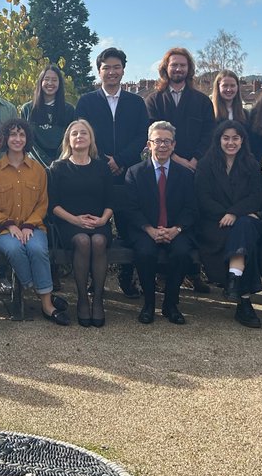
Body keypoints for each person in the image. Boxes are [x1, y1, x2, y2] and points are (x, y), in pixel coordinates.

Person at [75, 47, 148, 298]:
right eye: (106, 67)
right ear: (99, 71)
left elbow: (142, 135)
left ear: (123, 70)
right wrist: (104, 159)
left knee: (129, 229)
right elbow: (82, 133)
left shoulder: (136, 102)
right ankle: (92, 281)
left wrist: (120, 159)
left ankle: (128, 278)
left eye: (116, 67)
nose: (112, 72)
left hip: (128, 174)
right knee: (95, 229)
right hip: (96, 172)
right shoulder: (86, 102)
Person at [0, 119, 68, 325]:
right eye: (13, 134)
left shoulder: (38, 170)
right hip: (3, 230)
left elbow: (42, 203)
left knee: (38, 249)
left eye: (22, 135)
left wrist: (30, 224)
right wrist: (10, 224)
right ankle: (40, 291)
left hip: (33, 227)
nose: (17, 139)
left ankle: (48, 307)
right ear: (5, 139)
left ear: (27, 139)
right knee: (14, 250)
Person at [121, 121, 197, 325]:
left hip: (176, 230)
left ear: (173, 145)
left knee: (182, 253)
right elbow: (131, 208)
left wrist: (176, 229)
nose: (162, 145)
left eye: (167, 141)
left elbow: (191, 208)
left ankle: (170, 304)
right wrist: (150, 230)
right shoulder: (134, 172)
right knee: (145, 253)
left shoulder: (185, 174)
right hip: (145, 230)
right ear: (149, 144)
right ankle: (148, 304)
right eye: (158, 141)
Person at [194, 120, 262, 328]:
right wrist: (227, 214)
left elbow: (256, 196)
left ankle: (236, 282)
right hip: (214, 225)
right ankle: (244, 301)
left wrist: (235, 213)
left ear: (242, 141)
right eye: (226, 138)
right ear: (218, 140)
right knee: (245, 238)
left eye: (235, 138)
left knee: (244, 228)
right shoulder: (206, 164)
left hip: (243, 222)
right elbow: (202, 198)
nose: (231, 142)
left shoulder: (251, 164)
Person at [49, 119, 113, 327]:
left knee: (99, 242)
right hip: (68, 223)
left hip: (98, 221)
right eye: (74, 133)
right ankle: (83, 300)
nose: (79, 137)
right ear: (68, 139)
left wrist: (103, 219)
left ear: (90, 139)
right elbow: (53, 205)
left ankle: (98, 300)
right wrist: (75, 220)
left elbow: (111, 201)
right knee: (84, 241)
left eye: (83, 133)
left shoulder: (102, 167)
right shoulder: (58, 168)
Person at [144, 47, 214, 171]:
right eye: (174, 65)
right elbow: (150, 134)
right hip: (164, 167)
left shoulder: (203, 101)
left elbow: (209, 134)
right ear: (166, 68)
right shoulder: (153, 101)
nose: (178, 69)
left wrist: (195, 160)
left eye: (183, 65)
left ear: (189, 68)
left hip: (196, 168)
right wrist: (176, 159)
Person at [21, 64, 75, 167]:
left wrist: (58, 162)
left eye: (54, 80)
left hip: (62, 166)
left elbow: (69, 140)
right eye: (47, 79)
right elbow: (27, 141)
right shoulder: (27, 109)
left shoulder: (69, 110)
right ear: (40, 82)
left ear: (59, 84)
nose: (50, 83)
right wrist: (43, 163)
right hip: (34, 166)